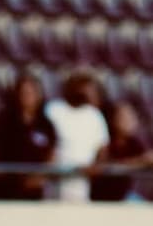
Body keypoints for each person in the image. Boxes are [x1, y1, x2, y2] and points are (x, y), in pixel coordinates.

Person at [0, 71, 57, 201]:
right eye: (23, 92)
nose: (26, 97)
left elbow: (51, 155)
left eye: (30, 93)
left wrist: (39, 178)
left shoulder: (46, 124)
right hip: (5, 189)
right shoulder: (3, 120)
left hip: (34, 190)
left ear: (38, 95)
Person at [45, 70, 110, 202]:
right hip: (54, 181)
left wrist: (95, 167)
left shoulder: (94, 115)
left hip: (81, 185)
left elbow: (103, 148)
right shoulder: (53, 109)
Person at [90, 101, 153, 202]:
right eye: (123, 117)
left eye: (131, 117)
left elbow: (148, 159)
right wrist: (139, 162)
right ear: (113, 119)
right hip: (105, 198)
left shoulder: (136, 144)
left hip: (125, 196)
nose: (127, 121)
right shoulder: (105, 143)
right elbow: (102, 168)